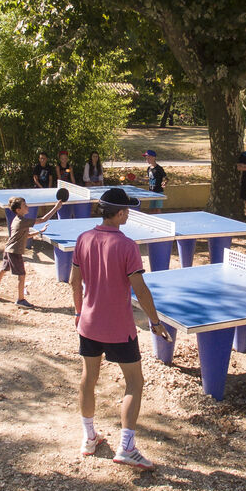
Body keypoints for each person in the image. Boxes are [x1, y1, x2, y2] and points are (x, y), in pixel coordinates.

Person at [70, 188, 170, 470]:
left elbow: (74, 282)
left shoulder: (83, 238)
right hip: (119, 329)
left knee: (88, 379)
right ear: (121, 213)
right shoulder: (127, 245)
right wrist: (156, 322)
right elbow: (140, 288)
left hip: (88, 324)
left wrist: (79, 313)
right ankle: (126, 447)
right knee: (134, 383)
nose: (129, 213)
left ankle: (89, 438)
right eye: (128, 210)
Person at [0, 195, 65, 308]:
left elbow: (25, 235)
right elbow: (43, 219)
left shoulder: (17, 220)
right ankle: (20, 299)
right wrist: (56, 208)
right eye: (24, 205)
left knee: (5, 268)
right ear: (18, 210)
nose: (27, 206)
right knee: (22, 275)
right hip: (14, 252)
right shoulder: (22, 221)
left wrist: (38, 232)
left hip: (8, 249)